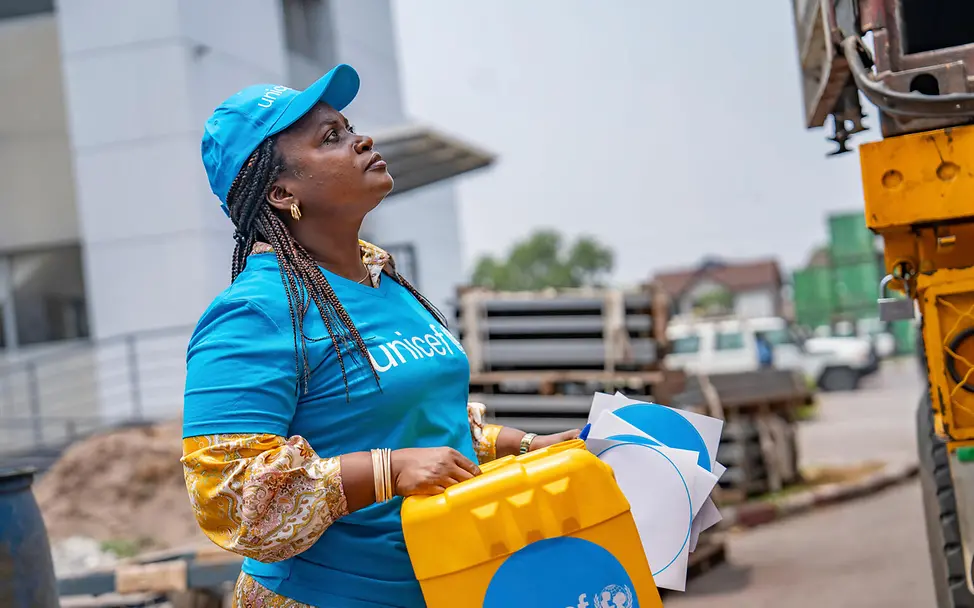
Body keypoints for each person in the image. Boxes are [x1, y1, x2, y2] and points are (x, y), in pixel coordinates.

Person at [180, 64, 580, 608]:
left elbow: (414, 420)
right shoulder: (253, 315)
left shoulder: (384, 282)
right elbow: (228, 498)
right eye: (332, 138)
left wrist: (525, 446)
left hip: (451, 582)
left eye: (348, 127)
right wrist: (386, 471)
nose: (361, 139)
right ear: (279, 190)